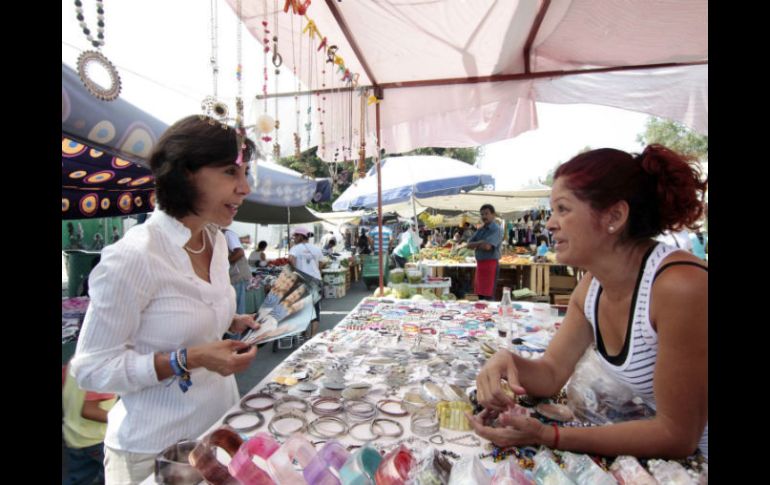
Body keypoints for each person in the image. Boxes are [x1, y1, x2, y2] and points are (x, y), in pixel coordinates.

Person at [468, 145, 708, 460]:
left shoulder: (681, 287)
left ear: (615, 216)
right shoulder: (591, 287)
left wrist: (550, 435)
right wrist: (508, 362)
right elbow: (552, 372)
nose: (550, 224)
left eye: (563, 209)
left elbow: (677, 436)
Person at [70, 115, 262, 484]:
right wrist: (188, 359)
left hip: (217, 433)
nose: (245, 188)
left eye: (245, 174)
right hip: (155, 453)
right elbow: (91, 368)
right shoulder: (134, 256)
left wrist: (229, 321)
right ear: (186, 174)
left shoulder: (216, 241)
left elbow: (179, 317)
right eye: (230, 173)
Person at [62, 362, 117, 485]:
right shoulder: (102, 370)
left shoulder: (75, 361)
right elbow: (88, 410)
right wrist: (120, 418)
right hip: (96, 439)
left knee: (77, 478)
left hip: (73, 435)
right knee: (114, 476)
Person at [289, 227, 324, 337]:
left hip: (302, 281)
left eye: (295, 236)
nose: (294, 238)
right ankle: (312, 336)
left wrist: (296, 270)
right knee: (315, 308)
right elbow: (322, 263)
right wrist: (314, 269)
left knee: (302, 308)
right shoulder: (316, 248)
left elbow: (290, 260)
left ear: (300, 236)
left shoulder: (295, 248)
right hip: (316, 281)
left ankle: (303, 332)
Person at [465, 204, 503, 300]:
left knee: (489, 296)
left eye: (486, 214)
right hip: (480, 265)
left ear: (493, 215)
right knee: (479, 295)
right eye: (482, 214)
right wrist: (481, 242)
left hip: (491, 265)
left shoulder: (497, 229)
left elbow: (487, 247)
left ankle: (490, 314)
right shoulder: (480, 230)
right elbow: (468, 245)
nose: (484, 217)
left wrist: (478, 244)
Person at [224, 227, 252, 315]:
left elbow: (239, 252)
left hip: (237, 276)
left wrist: (223, 263)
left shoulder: (227, 234)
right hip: (232, 277)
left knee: (237, 309)